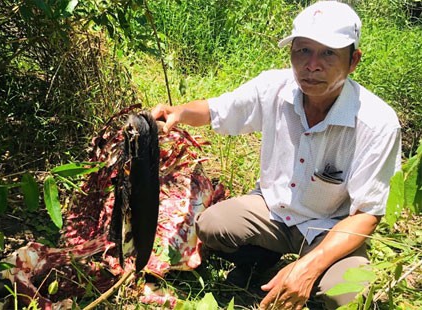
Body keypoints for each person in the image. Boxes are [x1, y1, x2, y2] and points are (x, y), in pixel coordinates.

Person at [151, 1, 401, 309]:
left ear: (353, 61)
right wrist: (178, 112)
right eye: (303, 51)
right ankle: (261, 261)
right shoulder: (275, 87)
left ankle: (309, 275)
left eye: (328, 53)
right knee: (213, 225)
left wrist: (308, 268)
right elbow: (216, 110)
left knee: (348, 294)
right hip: (273, 212)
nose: (312, 65)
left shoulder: (376, 122)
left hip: (330, 228)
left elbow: (367, 214)